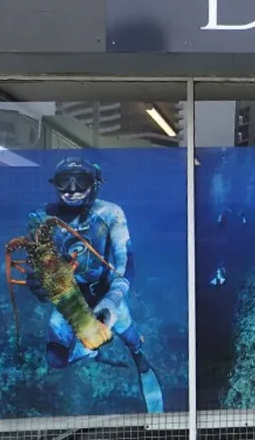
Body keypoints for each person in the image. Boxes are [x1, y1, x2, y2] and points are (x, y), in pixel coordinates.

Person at [25, 157, 164, 413]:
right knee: (55, 360)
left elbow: (125, 263)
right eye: (64, 181)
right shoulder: (41, 217)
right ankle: (96, 353)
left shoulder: (110, 213)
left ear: (95, 183)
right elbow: (39, 269)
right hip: (68, 299)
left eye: (82, 180)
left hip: (106, 296)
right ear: (54, 184)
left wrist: (111, 302)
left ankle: (139, 359)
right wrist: (39, 286)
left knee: (133, 341)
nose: (72, 188)